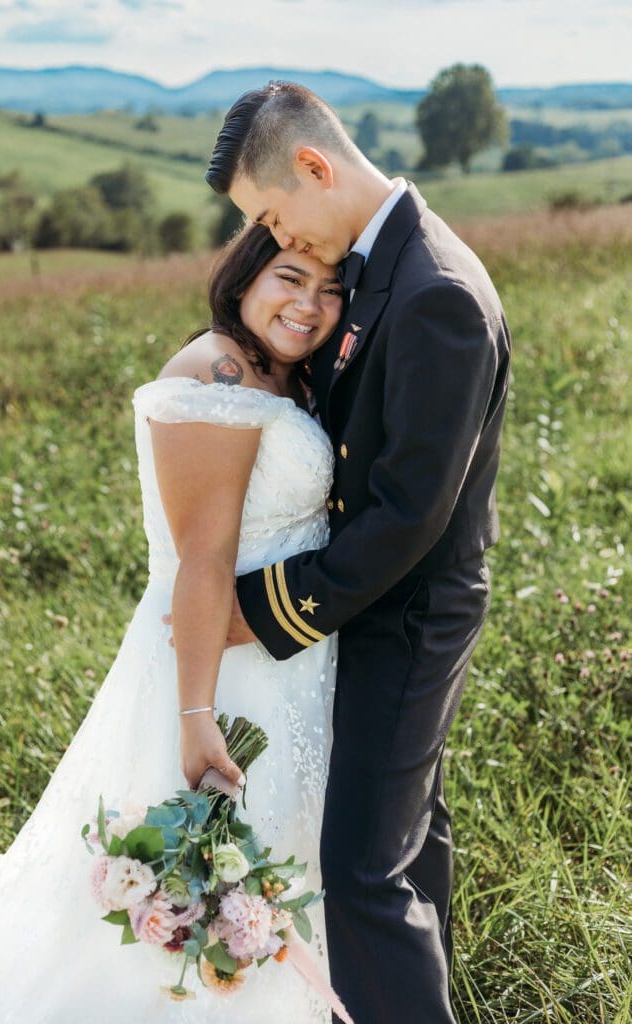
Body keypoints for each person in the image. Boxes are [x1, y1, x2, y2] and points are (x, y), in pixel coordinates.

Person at [0, 225, 344, 1023]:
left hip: (288, 659)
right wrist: (196, 718)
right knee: (211, 867)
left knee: (278, 862)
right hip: (216, 665)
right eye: (289, 278)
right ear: (241, 279)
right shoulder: (212, 371)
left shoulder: (284, 375)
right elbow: (201, 558)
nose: (308, 303)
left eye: (330, 288)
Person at [198, 82, 512, 1024]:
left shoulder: (435, 293)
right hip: (379, 599)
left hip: (408, 608)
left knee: (362, 873)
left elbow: (409, 512)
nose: (279, 239)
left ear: (313, 167)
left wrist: (262, 608)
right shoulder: (385, 265)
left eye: (272, 214)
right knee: (408, 843)